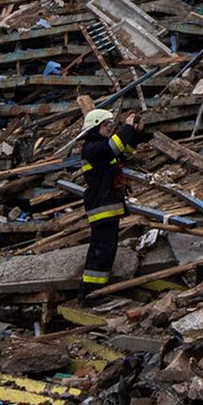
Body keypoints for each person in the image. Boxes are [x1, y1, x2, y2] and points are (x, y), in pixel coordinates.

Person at [73, 104, 137, 289]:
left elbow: (124, 153)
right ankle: (90, 292)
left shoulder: (101, 148)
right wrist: (127, 127)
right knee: (101, 250)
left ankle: (99, 289)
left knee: (107, 249)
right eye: (105, 124)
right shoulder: (92, 148)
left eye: (111, 124)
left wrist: (135, 133)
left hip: (108, 205)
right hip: (101, 206)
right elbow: (113, 146)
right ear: (94, 126)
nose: (110, 127)